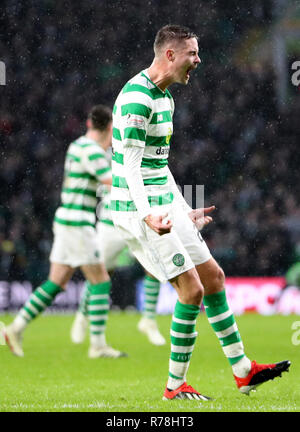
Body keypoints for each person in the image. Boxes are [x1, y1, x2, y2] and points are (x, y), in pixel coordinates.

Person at [110, 24, 291, 400]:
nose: (198, 60)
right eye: (192, 53)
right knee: (190, 291)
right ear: (170, 55)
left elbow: (157, 166)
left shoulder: (167, 98)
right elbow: (129, 169)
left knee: (214, 277)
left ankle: (243, 371)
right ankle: (175, 386)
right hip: (136, 207)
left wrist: (181, 209)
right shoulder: (136, 99)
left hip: (162, 203)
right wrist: (148, 215)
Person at [3, 105, 126, 359]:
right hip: (78, 224)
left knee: (56, 283)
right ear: (110, 128)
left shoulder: (77, 146)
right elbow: (111, 181)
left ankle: (15, 328)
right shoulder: (92, 151)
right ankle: (98, 345)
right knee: (101, 280)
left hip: (66, 219)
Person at [71, 184, 166, 346]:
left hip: (139, 221)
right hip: (111, 223)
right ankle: (82, 315)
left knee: (154, 268)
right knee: (99, 273)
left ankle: (149, 320)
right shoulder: (108, 160)